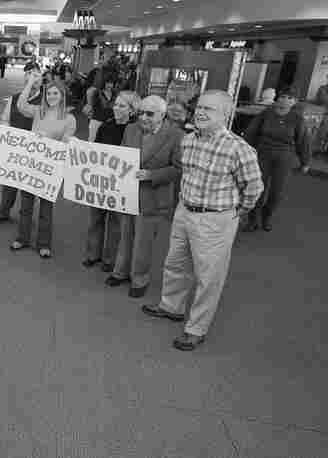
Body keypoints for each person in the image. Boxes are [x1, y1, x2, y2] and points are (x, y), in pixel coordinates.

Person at [142, 90, 263, 351]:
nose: (201, 112)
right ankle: (171, 306)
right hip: (184, 211)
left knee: (208, 277)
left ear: (226, 114)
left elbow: (253, 188)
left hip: (215, 219)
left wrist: (237, 211)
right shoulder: (188, 141)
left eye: (210, 109)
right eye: (199, 107)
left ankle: (196, 328)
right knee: (175, 263)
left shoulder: (239, 149)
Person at [107, 95, 184, 298]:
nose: (143, 117)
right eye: (140, 112)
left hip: (153, 196)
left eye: (149, 114)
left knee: (144, 241)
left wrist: (151, 175)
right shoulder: (131, 129)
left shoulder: (176, 135)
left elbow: (178, 169)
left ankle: (139, 278)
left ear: (162, 114)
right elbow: (120, 155)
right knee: (124, 234)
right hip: (128, 193)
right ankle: (120, 271)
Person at [10, 79, 76, 258]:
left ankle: (44, 244)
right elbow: (21, 104)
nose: (52, 97)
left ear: (62, 96)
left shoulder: (69, 119)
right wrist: (30, 82)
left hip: (51, 169)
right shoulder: (39, 111)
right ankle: (22, 238)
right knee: (26, 204)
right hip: (32, 164)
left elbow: (65, 143)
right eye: (49, 93)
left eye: (55, 93)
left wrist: (47, 140)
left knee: (46, 209)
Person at [83, 91, 139, 272]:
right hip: (101, 181)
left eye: (122, 106)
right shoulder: (106, 126)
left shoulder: (136, 131)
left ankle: (109, 259)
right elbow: (95, 150)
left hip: (121, 184)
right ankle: (93, 254)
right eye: (116, 104)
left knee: (115, 223)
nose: (116, 108)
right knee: (95, 219)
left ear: (132, 110)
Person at [243, 86, 310, 232]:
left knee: (276, 192)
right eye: (283, 97)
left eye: (290, 98)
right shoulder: (266, 114)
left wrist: (305, 162)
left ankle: (266, 218)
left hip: (285, 158)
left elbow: (303, 141)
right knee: (258, 189)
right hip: (263, 155)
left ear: (295, 102)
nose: (285, 100)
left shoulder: (297, 119)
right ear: (277, 98)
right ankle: (252, 220)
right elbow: (251, 133)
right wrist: (245, 152)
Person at [0, 62, 44, 223]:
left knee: (29, 185)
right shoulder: (14, 98)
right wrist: (6, 137)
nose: (33, 79)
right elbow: (5, 120)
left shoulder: (46, 99)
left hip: (35, 148)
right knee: (8, 182)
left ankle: (25, 215)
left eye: (36, 75)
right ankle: (4, 210)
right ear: (25, 78)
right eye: (29, 75)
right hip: (15, 147)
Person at [84, 70, 115, 142]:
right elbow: (92, 107)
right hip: (96, 121)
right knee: (92, 141)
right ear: (104, 83)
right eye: (108, 83)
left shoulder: (115, 94)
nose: (109, 85)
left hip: (108, 123)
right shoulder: (97, 92)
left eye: (111, 83)